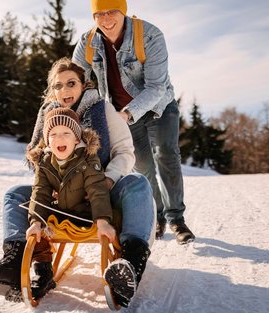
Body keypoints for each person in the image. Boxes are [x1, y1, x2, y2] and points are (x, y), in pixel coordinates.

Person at [0, 58, 155, 308]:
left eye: (71, 84)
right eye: (57, 86)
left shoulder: (102, 109)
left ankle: (130, 264)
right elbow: (39, 161)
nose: (64, 91)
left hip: (102, 188)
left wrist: (107, 180)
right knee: (15, 194)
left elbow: (126, 152)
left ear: (84, 85)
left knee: (137, 182)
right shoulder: (48, 115)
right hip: (62, 193)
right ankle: (13, 263)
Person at [72, 0, 195, 244]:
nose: (106, 19)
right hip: (121, 113)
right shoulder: (87, 44)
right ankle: (158, 217)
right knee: (143, 167)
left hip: (159, 106)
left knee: (166, 155)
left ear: (123, 11)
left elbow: (156, 87)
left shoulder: (149, 36)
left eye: (112, 12)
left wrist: (127, 114)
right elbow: (75, 80)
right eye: (100, 14)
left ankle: (176, 219)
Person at [25, 107, 117, 300]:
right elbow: (40, 192)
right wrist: (35, 222)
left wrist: (102, 220)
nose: (60, 139)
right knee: (36, 222)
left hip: (86, 214)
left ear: (76, 138)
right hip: (61, 213)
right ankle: (43, 270)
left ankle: (120, 268)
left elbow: (97, 190)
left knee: (117, 218)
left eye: (66, 133)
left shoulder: (88, 158)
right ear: (47, 140)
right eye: (54, 134)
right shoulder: (44, 162)